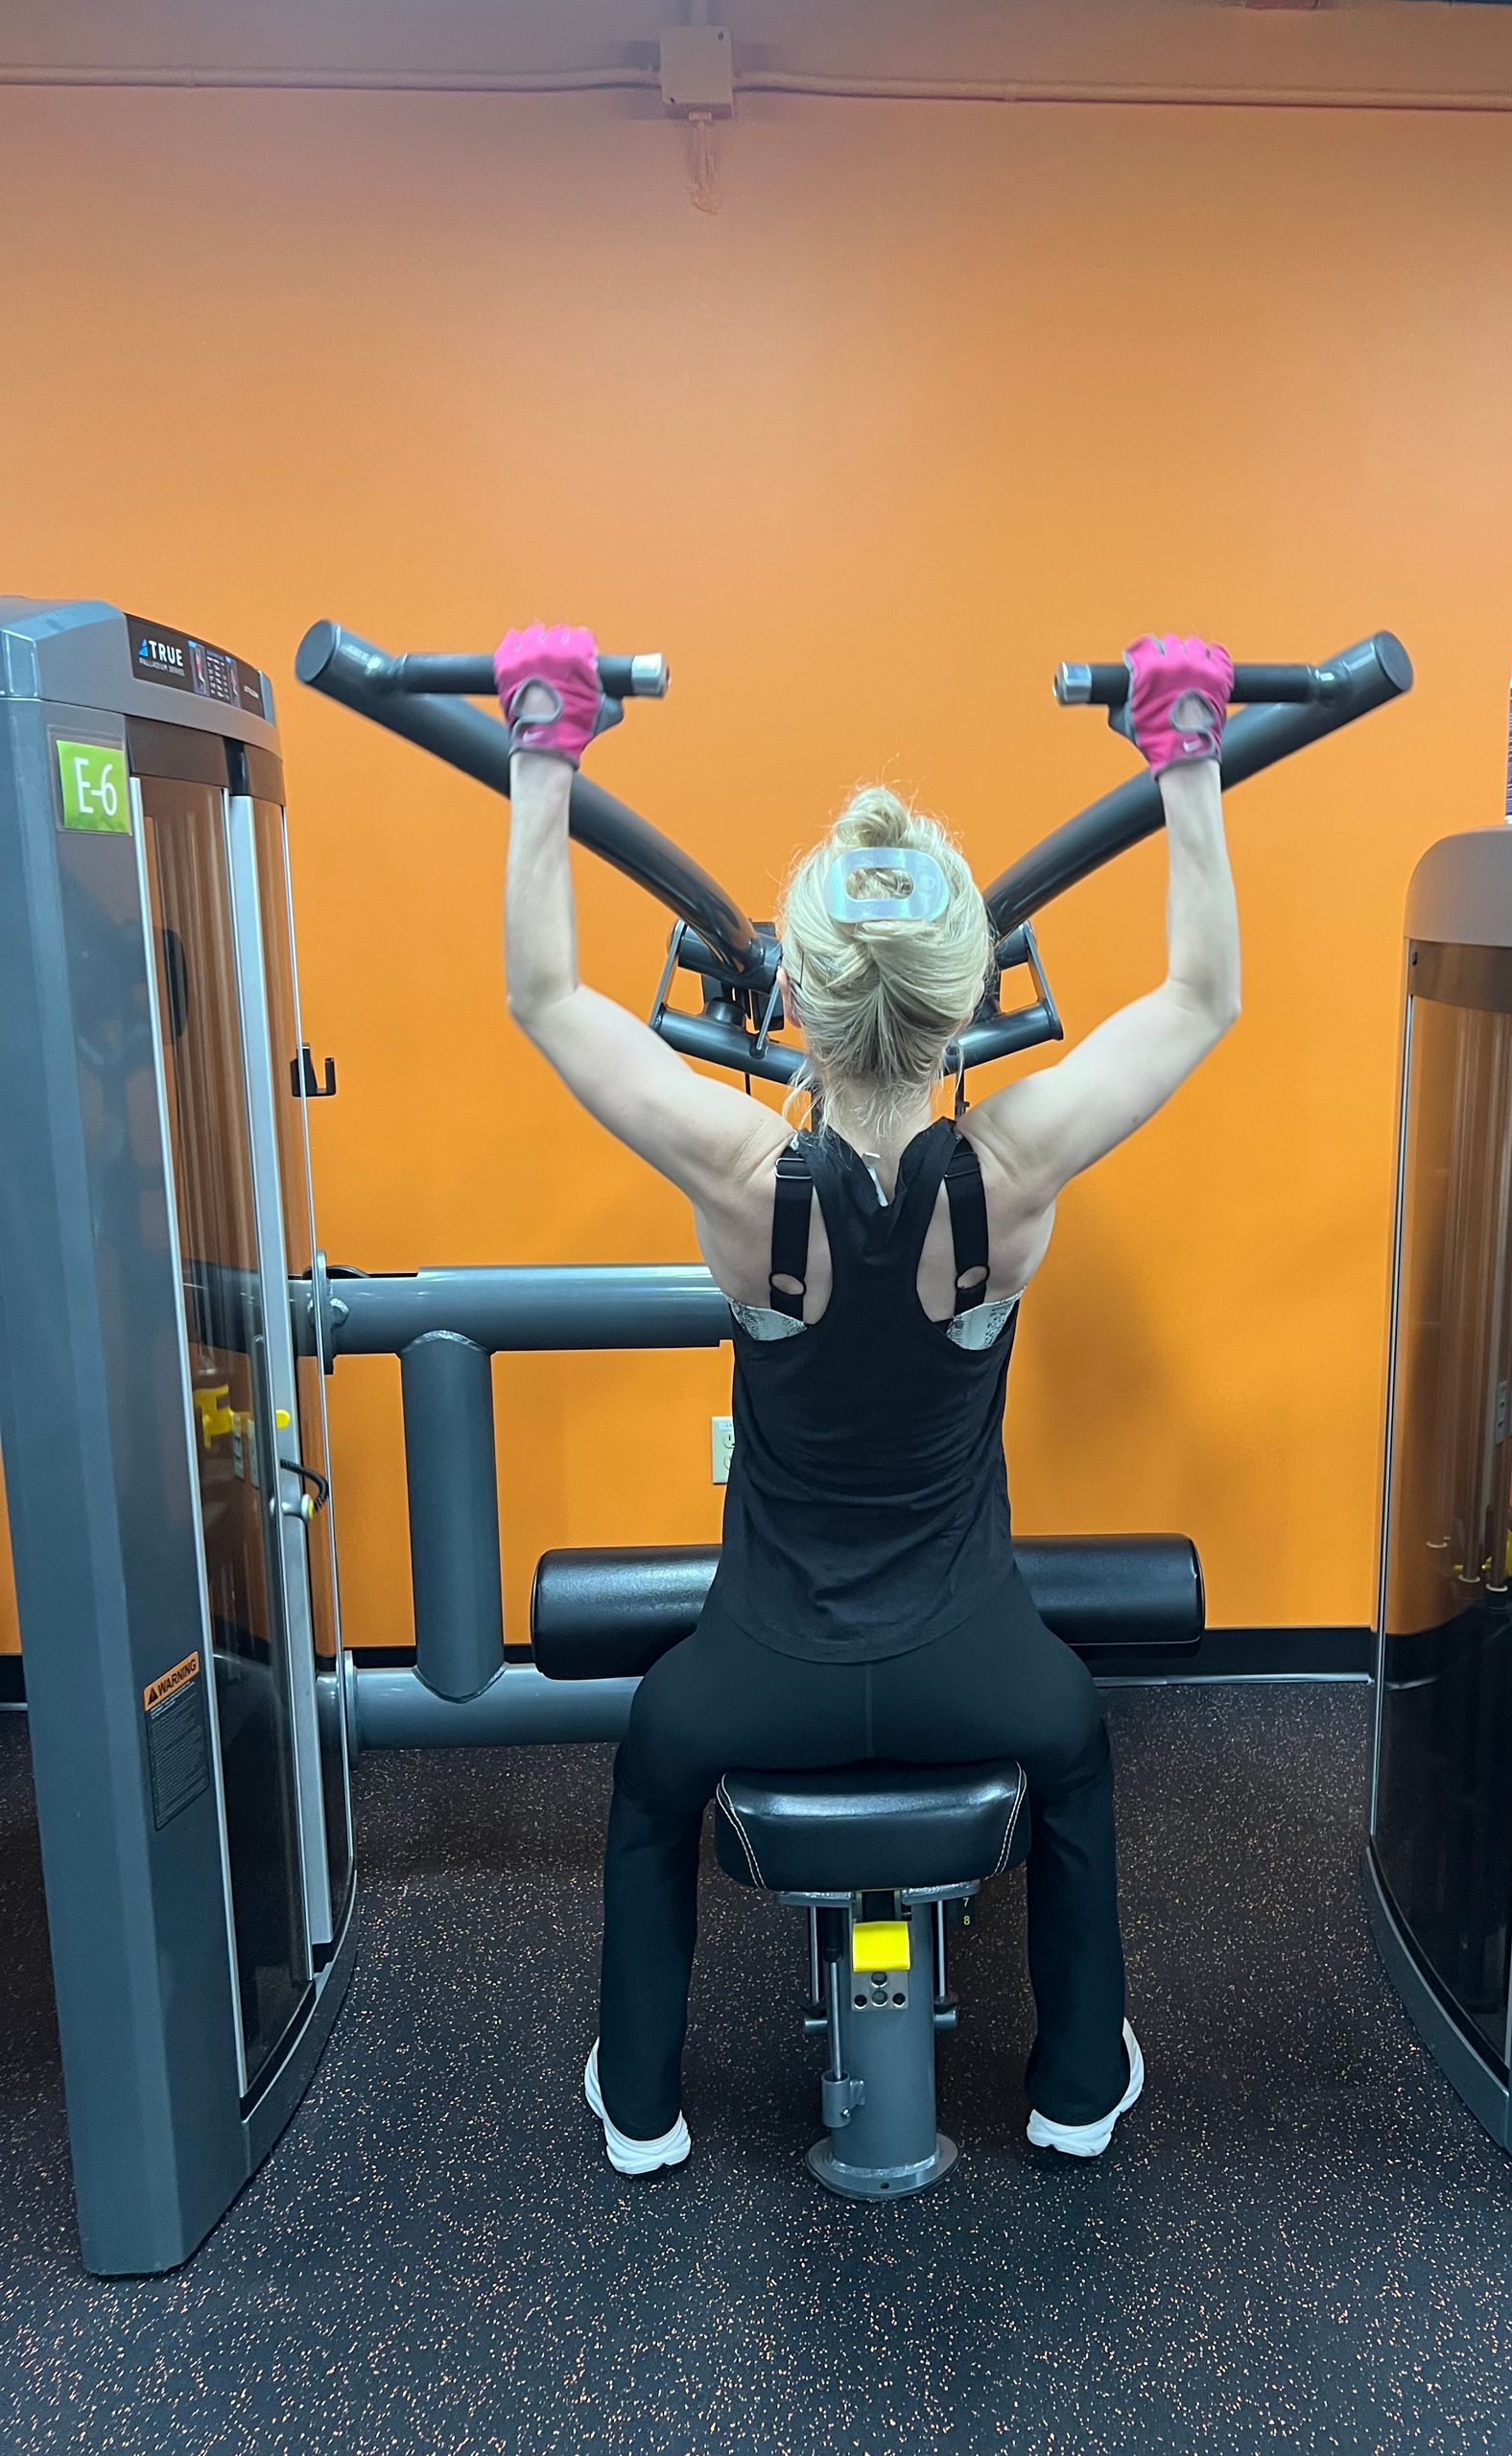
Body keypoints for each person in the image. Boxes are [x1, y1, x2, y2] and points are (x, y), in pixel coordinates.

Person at [495, 626, 1241, 2175]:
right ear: (966, 1000)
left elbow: (550, 997)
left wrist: (544, 752)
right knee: (1079, 1746)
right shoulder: (1016, 1164)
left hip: (757, 1666)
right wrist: (1186, 758)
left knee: (652, 1768)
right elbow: (1198, 999)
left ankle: (639, 2106)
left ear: (800, 1001)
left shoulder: (740, 1173)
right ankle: (1076, 2087)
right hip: (981, 1663)